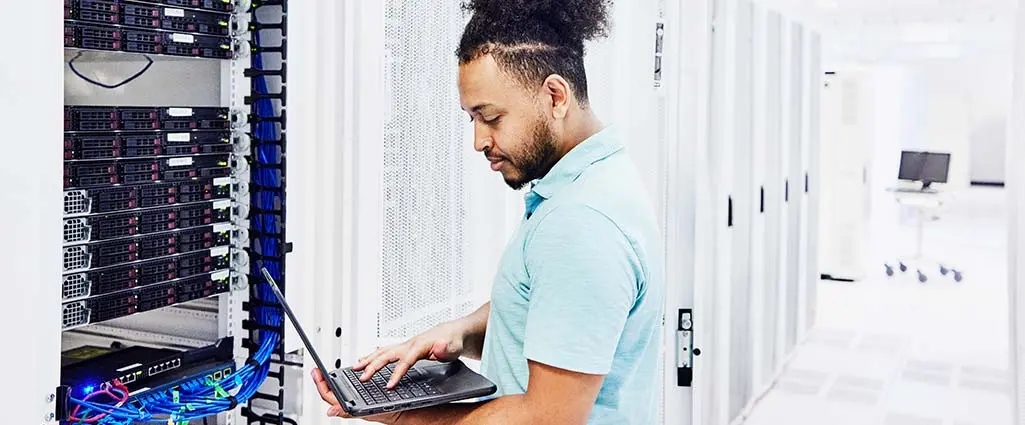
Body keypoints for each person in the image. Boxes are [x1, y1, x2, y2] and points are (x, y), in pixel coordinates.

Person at [312, 0, 664, 423]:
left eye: (491, 117)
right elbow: (553, 309)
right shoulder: (593, 183)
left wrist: (401, 417)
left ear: (555, 96)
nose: (479, 141)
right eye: (472, 119)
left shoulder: (582, 223)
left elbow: (545, 418)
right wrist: (461, 333)